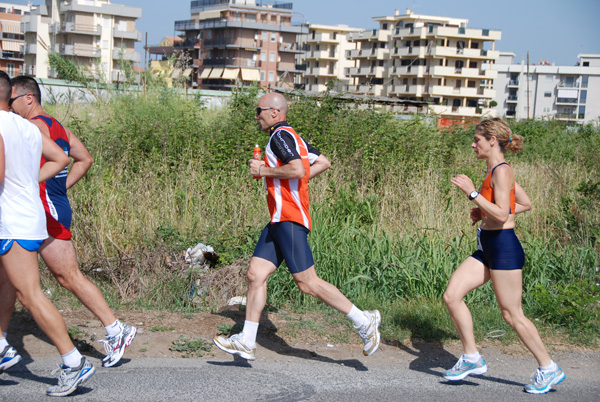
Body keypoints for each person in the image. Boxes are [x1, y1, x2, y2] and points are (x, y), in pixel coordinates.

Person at [213, 92, 381, 360]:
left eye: (259, 111)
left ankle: (363, 320)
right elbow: (323, 162)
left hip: (290, 218)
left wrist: (263, 171)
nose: (256, 116)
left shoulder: (280, 136)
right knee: (256, 274)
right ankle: (247, 339)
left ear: (275, 113)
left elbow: (297, 170)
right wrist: (293, 183)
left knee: (307, 283)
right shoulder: (295, 138)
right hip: (278, 220)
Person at [0, 76, 136, 368]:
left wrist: (33, 184)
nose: (7, 108)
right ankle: (2, 341)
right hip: (50, 204)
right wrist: (59, 188)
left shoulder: (31, 126)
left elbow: (62, 160)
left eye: (10, 102)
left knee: (63, 277)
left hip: (41, 208)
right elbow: (83, 158)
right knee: (14, 277)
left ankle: (114, 329)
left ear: (27, 99)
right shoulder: (56, 124)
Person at [444, 118, 565, 394]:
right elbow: (523, 204)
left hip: (503, 248)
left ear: (492, 141)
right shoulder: (493, 170)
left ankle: (548, 367)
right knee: (452, 296)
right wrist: (483, 210)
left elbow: (502, 214)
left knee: (512, 314)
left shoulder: (502, 171)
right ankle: (472, 358)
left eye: (477, 140)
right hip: (488, 245)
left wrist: (472, 193)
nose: (473, 144)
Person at [0, 70, 95, 396]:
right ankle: (1, 346)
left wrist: (19, 185)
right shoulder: (26, 126)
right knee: (10, 283)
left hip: (12, 221)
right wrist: (29, 183)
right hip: (26, 216)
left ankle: (73, 361)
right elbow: (60, 157)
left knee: (30, 294)